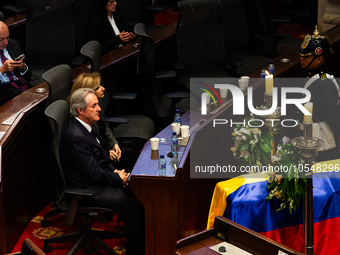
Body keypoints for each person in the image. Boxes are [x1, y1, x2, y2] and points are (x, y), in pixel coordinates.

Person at [60, 88, 145, 255]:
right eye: (94, 106)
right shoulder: (76, 136)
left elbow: (102, 157)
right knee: (135, 207)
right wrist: (117, 177)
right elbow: (92, 173)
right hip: (88, 190)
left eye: (98, 105)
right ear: (80, 111)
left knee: (138, 191)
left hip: (97, 179)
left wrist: (117, 172)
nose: (99, 109)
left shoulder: (86, 126)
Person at [283, 26, 340, 162]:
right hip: (304, 136)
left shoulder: (324, 84)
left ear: (319, 59)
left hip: (321, 145)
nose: (301, 59)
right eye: (301, 56)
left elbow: (333, 116)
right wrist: (290, 134)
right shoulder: (307, 73)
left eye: (306, 57)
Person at [67, 72, 137, 172]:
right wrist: (106, 153)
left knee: (128, 152)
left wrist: (114, 143)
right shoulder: (84, 117)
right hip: (100, 157)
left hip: (104, 148)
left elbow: (105, 126)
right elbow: (92, 148)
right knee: (130, 155)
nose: (103, 88)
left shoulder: (95, 106)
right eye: (97, 87)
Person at [0, 21, 31, 106]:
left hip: (21, 84)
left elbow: (29, 75)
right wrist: (2, 70)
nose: (6, 42)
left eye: (7, 38)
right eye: (1, 39)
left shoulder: (13, 44)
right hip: (3, 89)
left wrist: (23, 67)